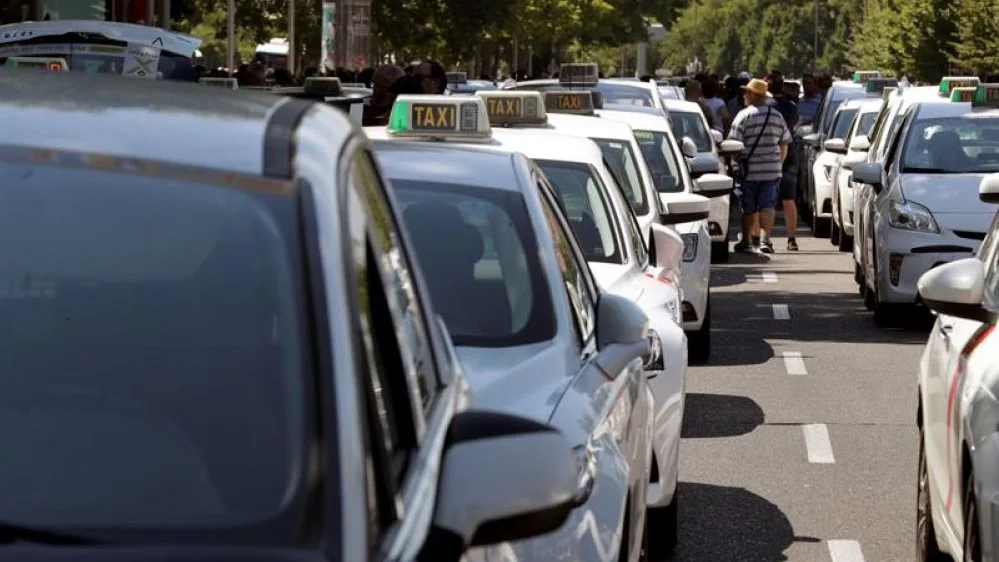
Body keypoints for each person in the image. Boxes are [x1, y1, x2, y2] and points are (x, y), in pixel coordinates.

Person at [728, 78, 792, 254]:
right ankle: (766, 240)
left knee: (748, 207)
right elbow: (784, 143)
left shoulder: (743, 116)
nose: (743, 95)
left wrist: (734, 163)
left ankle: (747, 241)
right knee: (767, 206)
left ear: (752, 95)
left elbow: (733, 143)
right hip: (771, 171)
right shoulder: (777, 116)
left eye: (746, 92)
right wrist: (778, 164)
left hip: (748, 171)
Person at [763, 73, 800, 251]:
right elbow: (792, 127)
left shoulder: (766, 107)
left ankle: (765, 238)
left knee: (767, 199)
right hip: (790, 153)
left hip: (769, 154)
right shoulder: (792, 107)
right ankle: (791, 239)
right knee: (789, 199)